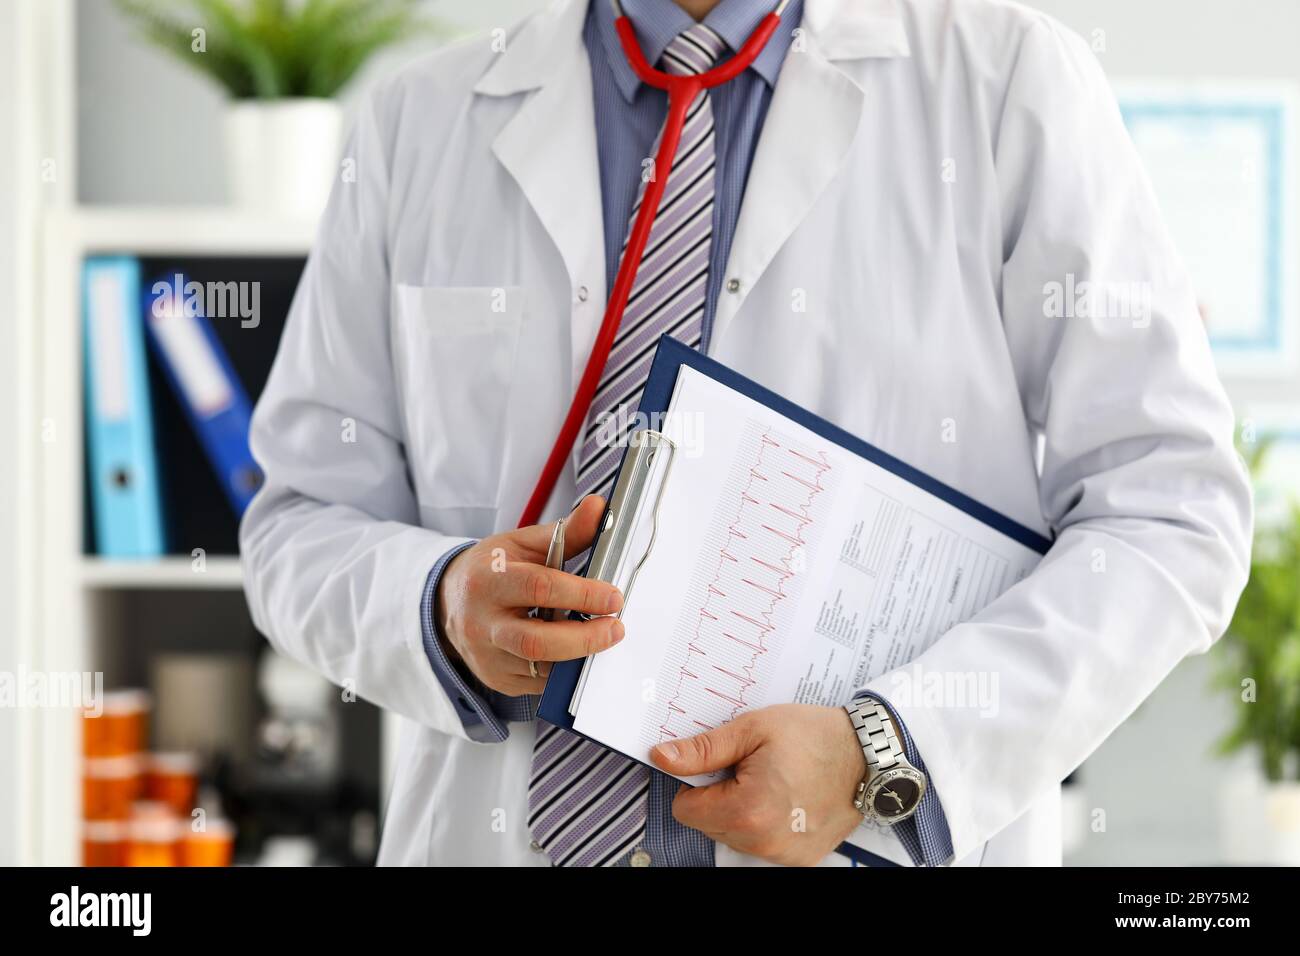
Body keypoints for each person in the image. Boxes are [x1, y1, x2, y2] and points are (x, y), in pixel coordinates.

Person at [240, 0, 1252, 867]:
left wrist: (884, 753)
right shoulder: (417, 122)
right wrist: (439, 605)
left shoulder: (1005, 84)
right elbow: (298, 522)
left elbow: (1169, 508)